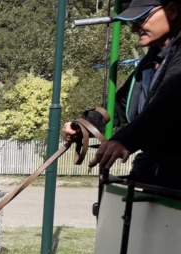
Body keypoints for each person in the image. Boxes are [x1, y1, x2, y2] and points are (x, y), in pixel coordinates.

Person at [63, 0, 181, 188]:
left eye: (141, 19)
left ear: (172, 10)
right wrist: (85, 125)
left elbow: (168, 104)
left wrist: (123, 140)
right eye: (130, 22)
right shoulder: (151, 60)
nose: (134, 28)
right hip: (154, 167)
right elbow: (119, 104)